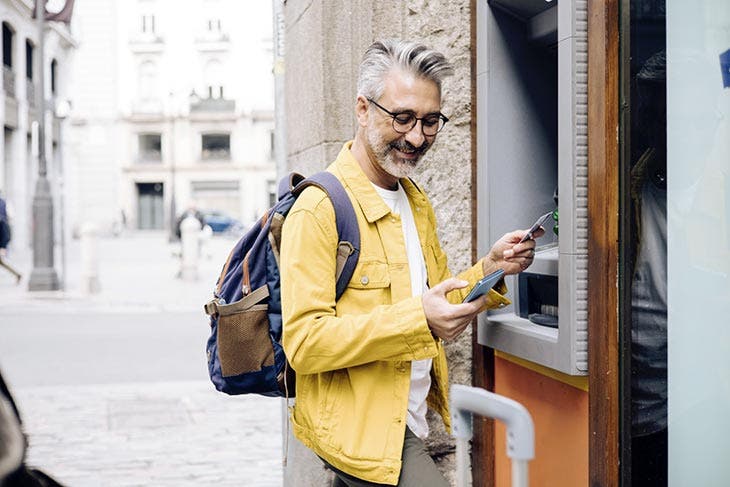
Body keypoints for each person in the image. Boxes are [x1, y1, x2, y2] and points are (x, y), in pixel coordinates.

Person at [280, 39, 542, 487]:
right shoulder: (318, 209)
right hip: (363, 436)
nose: (417, 137)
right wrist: (418, 317)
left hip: (405, 420)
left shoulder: (414, 201)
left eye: (430, 121)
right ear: (363, 110)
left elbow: (437, 299)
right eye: (402, 118)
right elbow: (304, 344)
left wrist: (493, 267)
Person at [629, 50, 667, 486]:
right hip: (633, 411)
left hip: (689, 408)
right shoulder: (629, 189)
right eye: (647, 114)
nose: (651, 128)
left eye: (660, 114)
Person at [0, 193, 22, 285]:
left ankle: (18, 275)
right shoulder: (4, 203)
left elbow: (4, 234)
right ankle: (17, 275)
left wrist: (3, 246)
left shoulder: (2, 220)